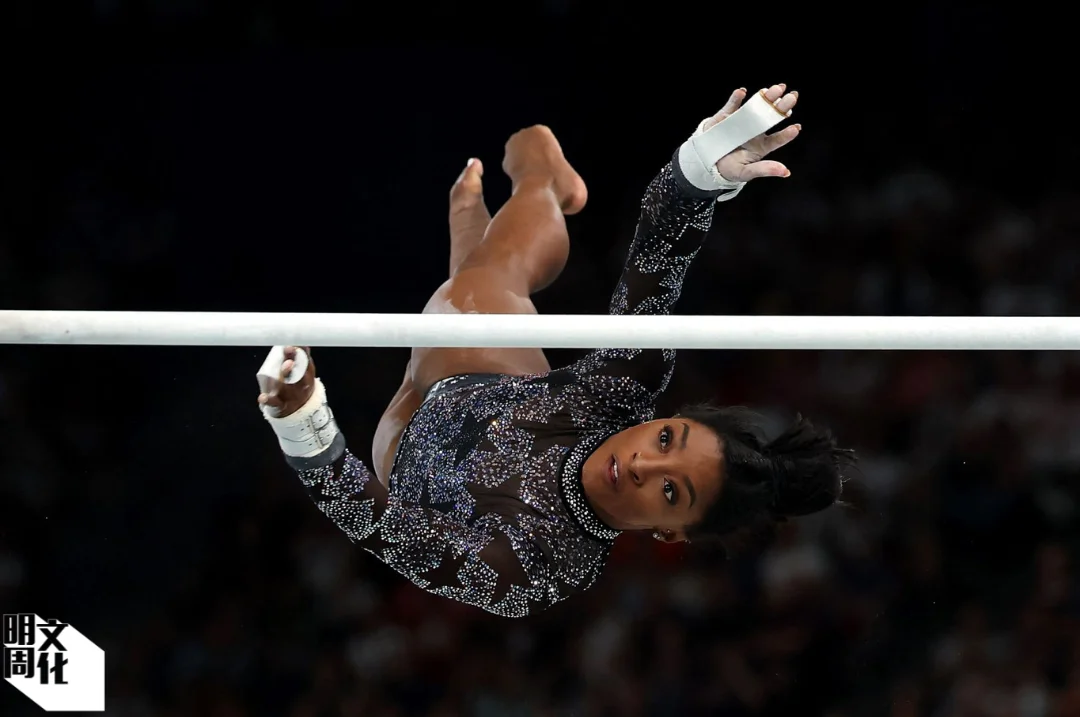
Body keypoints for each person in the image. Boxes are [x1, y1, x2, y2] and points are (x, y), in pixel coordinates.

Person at [255, 84, 856, 618]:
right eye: (666, 439)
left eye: (671, 492)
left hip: (398, 471)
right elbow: (659, 252)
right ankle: (541, 174)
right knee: (474, 290)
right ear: (665, 420)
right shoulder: (622, 387)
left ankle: (476, 240)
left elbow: (382, 526)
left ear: (671, 534)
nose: (644, 465)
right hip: (477, 378)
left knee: (462, 290)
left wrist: (302, 423)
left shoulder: (546, 567)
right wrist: (699, 173)